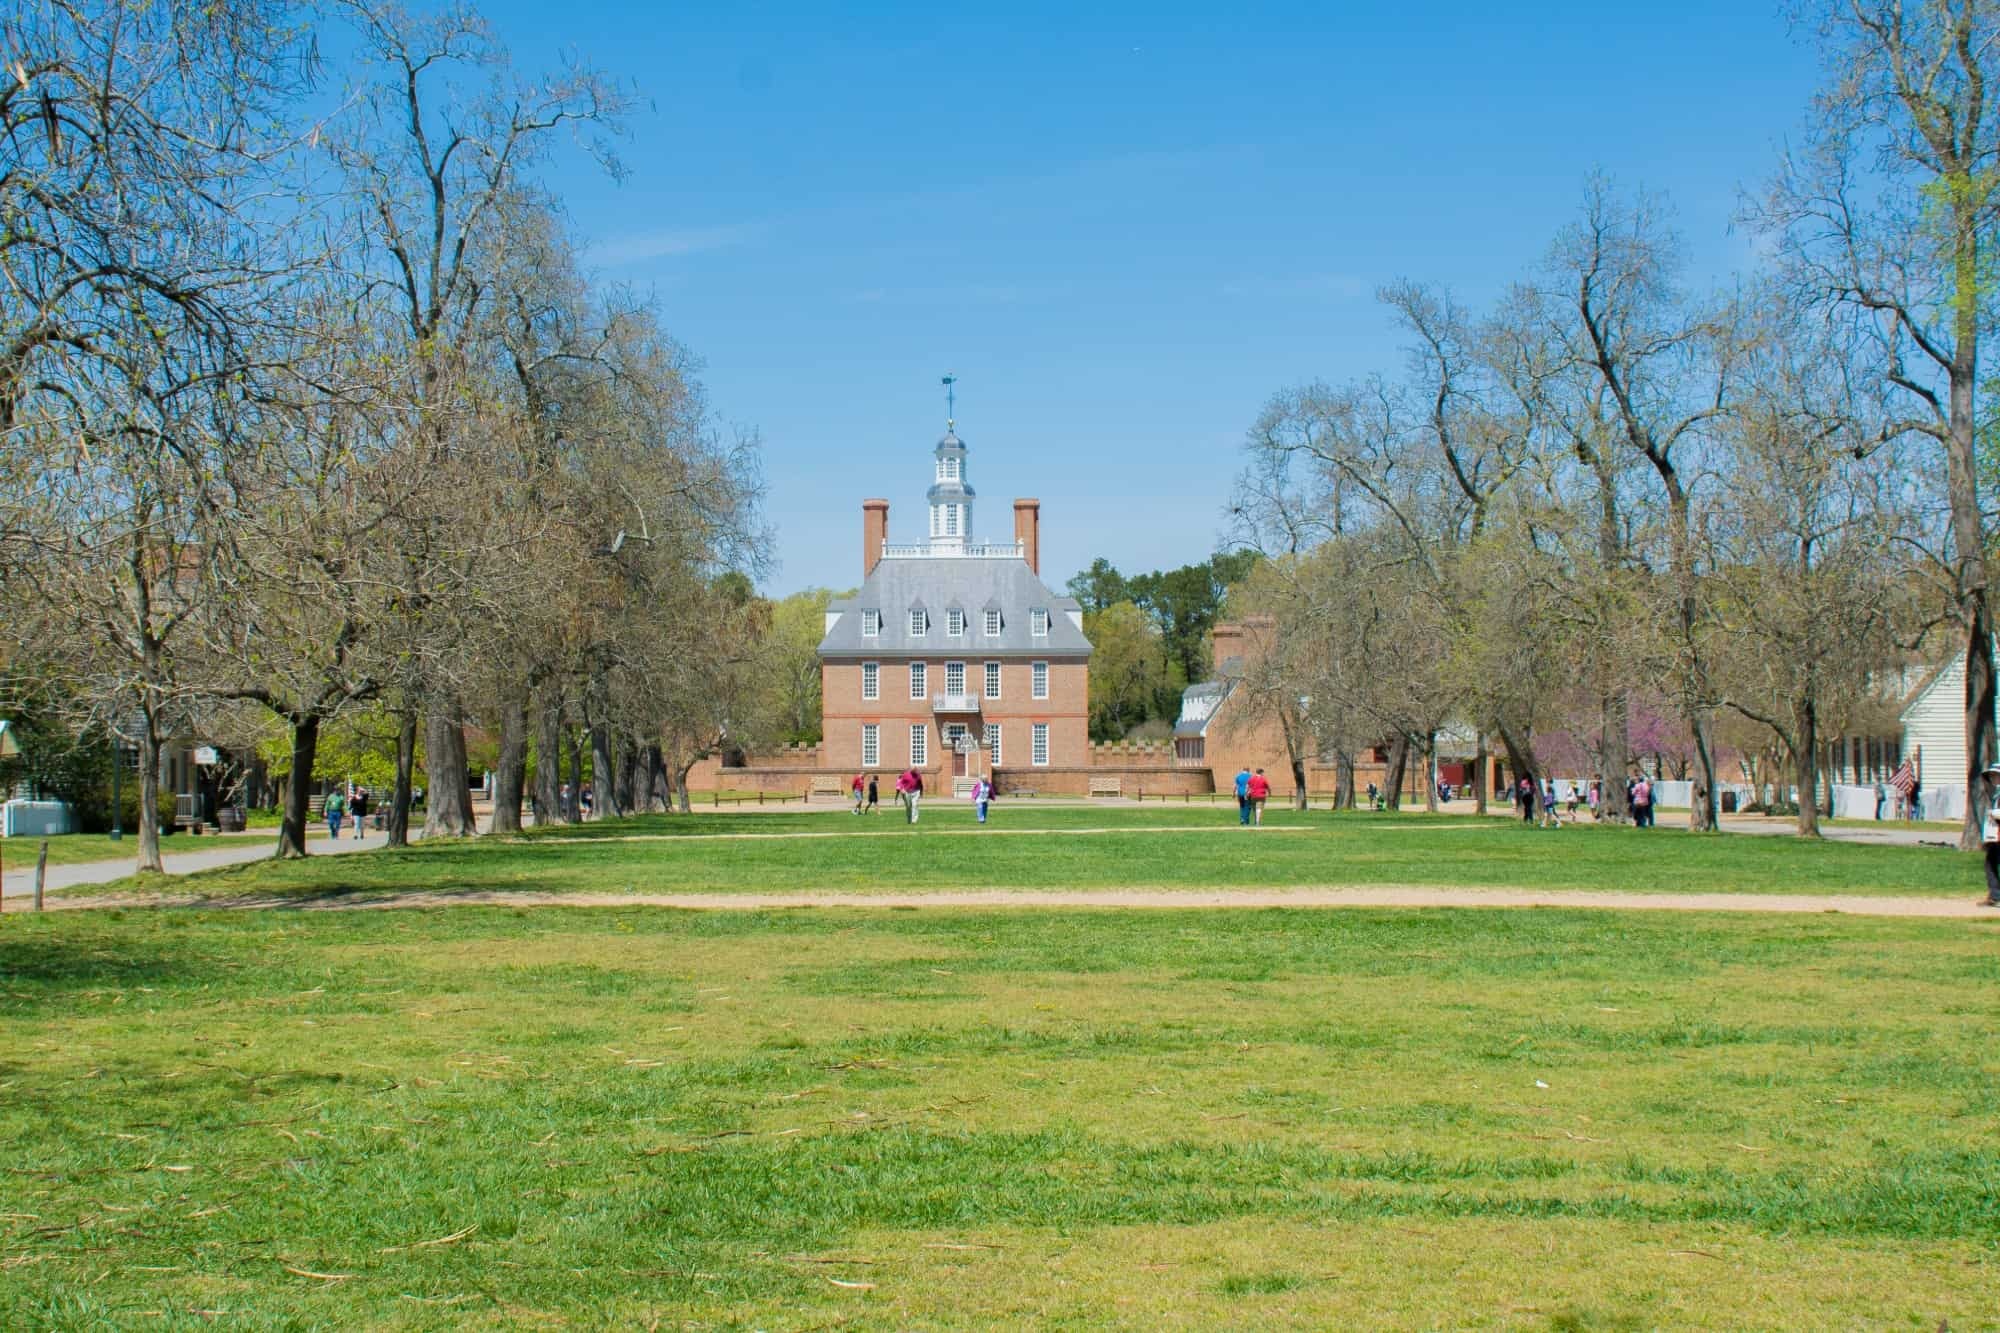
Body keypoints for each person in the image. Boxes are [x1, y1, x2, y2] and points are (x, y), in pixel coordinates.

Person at [1981, 762, 2000, 907]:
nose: (1994, 778)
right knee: (1990, 862)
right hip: (1996, 837)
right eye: (1992, 776)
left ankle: (1995, 895)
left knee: (1991, 862)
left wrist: (1994, 813)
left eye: (1996, 775)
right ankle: (1995, 895)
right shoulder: (1996, 795)